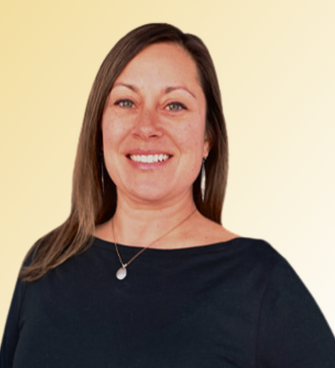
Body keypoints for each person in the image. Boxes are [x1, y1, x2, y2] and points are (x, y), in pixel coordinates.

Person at [1, 23, 334, 368]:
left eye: (174, 105)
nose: (147, 127)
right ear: (99, 128)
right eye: (126, 101)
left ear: (208, 138)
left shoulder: (259, 280)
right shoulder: (47, 263)